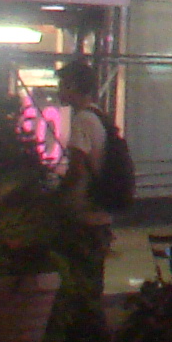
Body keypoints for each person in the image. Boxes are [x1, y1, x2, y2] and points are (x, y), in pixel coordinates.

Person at [52, 61, 115, 257]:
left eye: (62, 85)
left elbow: (77, 170)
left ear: (73, 86)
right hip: (99, 210)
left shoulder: (82, 120)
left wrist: (58, 197)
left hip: (84, 214)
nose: (58, 90)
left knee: (79, 275)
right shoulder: (98, 115)